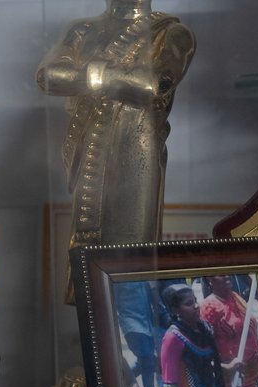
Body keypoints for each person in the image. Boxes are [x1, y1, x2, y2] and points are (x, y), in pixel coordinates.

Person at [36, 0, 195, 302]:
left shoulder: (173, 33)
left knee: (131, 254)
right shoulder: (82, 29)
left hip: (135, 147)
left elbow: (152, 84)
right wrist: (119, 77)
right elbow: (48, 76)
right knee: (87, 248)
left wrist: (87, 75)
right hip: (89, 147)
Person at [114, 280, 162, 387]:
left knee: (148, 361)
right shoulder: (118, 275)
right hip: (132, 325)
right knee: (148, 363)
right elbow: (111, 302)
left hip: (146, 324)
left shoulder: (140, 268)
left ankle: (120, 382)